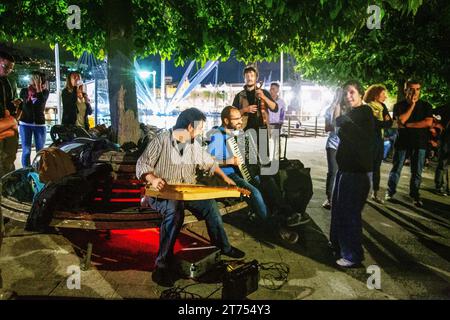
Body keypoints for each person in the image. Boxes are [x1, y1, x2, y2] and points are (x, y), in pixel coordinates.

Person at [136, 108, 245, 287]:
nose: (202, 131)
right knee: (174, 211)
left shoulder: (193, 144)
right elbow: (142, 164)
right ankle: (162, 264)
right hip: (163, 192)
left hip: (186, 191)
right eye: (200, 127)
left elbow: (209, 162)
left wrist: (226, 180)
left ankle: (223, 246)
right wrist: (153, 179)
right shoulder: (162, 139)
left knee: (210, 205)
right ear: (189, 127)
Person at [207, 106, 307, 244]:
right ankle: (275, 228)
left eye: (240, 118)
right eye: (236, 119)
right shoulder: (217, 135)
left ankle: (286, 214)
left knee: (269, 182)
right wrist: (231, 161)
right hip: (228, 176)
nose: (240, 121)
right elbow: (208, 160)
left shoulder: (237, 133)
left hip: (244, 172)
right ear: (225, 120)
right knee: (254, 192)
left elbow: (247, 156)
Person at [329, 80, 375, 268]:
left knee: (350, 214)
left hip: (356, 172)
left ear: (361, 94)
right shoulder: (353, 113)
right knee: (339, 210)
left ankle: (353, 255)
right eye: (345, 93)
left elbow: (339, 122)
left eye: (351, 92)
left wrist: (339, 106)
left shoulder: (364, 112)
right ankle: (339, 246)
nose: (348, 96)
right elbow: (336, 122)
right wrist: (338, 104)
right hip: (346, 170)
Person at [385, 80, 433, 207]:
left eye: (417, 89)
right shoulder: (399, 106)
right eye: (411, 89)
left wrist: (409, 125)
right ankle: (390, 192)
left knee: (417, 171)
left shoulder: (426, 105)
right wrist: (412, 106)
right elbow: (400, 122)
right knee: (396, 168)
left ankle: (415, 195)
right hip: (402, 142)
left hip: (420, 143)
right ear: (405, 90)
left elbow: (428, 122)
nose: (415, 92)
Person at [232, 66, 278, 163]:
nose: (249, 78)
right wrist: (245, 109)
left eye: (252, 75)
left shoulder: (263, 92)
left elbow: (275, 108)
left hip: (262, 129)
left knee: (264, 160)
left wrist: (263, 97)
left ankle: (264, 178)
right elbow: (232, 114)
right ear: (244, 78)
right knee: (248, 160)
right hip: (245, 131)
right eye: (247, 75)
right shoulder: (239, 96)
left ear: (256, 78)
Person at [363, 84, 393, 204]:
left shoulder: (383, 106)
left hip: (379, 140)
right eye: (383, 94)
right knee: (367, 167)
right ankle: (363, 192)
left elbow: (389, 122)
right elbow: (375, 124)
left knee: (377, 167)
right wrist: (383, 122)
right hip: (370, 141)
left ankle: (375, 193)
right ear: (375, 95)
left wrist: (383, 122)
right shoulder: (368, 108)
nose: (385, 97)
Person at [17, 72, 49, 167]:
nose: (33, 80)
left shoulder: (45, 92)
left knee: (40, 151)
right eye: (33, 78)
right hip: (25, 124)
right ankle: (25, 173)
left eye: (36, 78)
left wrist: (38, 87)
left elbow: (40, 103)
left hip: (40, 124)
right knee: (26, 150)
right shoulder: (24, 91)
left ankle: (40, 172)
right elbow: (25, 106)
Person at [0, 50, 21, 178]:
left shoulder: (9, 82)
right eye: (5, 66)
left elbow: (12, 101)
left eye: (10, 68)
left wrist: (16, 103)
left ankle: (7, 183)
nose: (8, 70)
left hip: (9, 124)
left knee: (9, 157)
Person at [323, 88, 343, 210]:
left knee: (342, 172)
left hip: (345, 145)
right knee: (333, 171)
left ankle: (340, 197)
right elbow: (327, 128)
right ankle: (329, 198)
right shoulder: (329, 109)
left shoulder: (348, 109)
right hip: (333, 144)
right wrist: (335, 123)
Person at [434, 104, 450, 196]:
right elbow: (432, 112)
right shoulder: (446, 107)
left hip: (445, 140)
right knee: (443, 164)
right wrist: (437, 124)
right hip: (446, 140)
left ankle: (447, 188)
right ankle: (439, 186)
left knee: (445, 165)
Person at [268, 82, 286, 161]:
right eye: (270, 89)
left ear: (277, 90)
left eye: (273, 89)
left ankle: (276, 161)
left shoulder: (281, 102)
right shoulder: (267, 101)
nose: (271, 91)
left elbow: (282, 114)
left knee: (276, 145)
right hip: (267, 125)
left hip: (276, 125)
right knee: (267, 144)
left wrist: (280, 124)